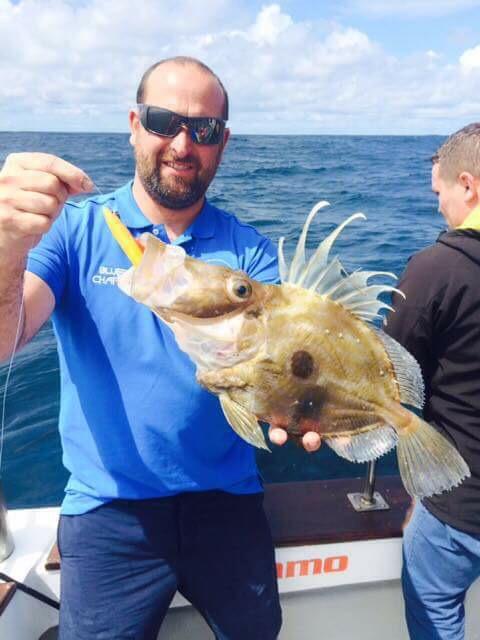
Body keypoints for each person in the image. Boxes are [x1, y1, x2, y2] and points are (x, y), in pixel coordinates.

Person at [0, 56, 319, 639]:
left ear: (223, 143)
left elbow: (282, 367)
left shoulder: (249, 255)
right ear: (132, 123)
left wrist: (304, 408)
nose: (181, 142)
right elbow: (6, 337)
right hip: (108, 510)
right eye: (162, 120)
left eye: (204, 129)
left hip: (228, 500)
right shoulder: (74, 230)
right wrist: (7, 247)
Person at [384, 123, 480, 640]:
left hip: (460, 510)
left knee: (436, 612)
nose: (439, 205)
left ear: (468, 186)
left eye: (440, 193)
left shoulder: (434, 269)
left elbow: (391, 377)